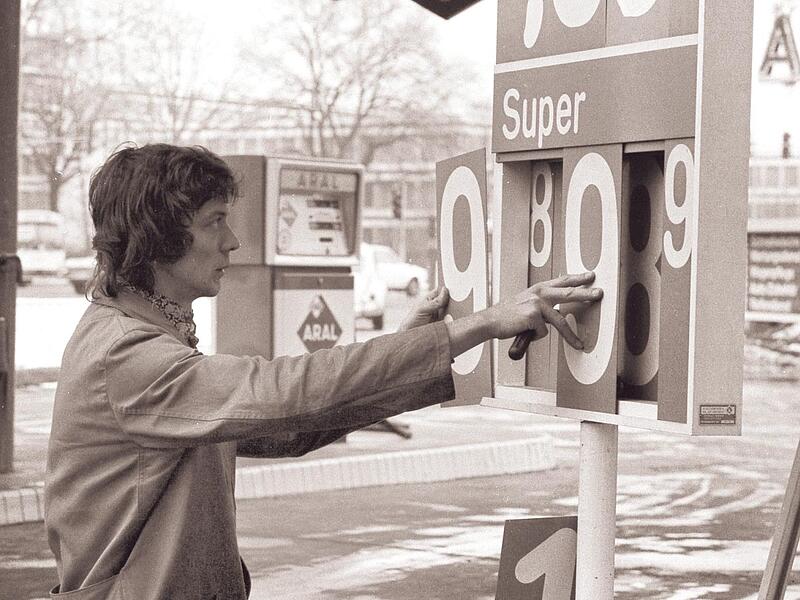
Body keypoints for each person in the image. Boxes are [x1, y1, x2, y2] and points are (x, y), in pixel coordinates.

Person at [44, 143, 602, 599]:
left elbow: (287, 427)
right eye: (215, 222)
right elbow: (280, 392)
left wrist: (410, 348)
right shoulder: (125, 355)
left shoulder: (145, 335)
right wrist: (474, 327)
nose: (233, 241)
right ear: (160, 236)